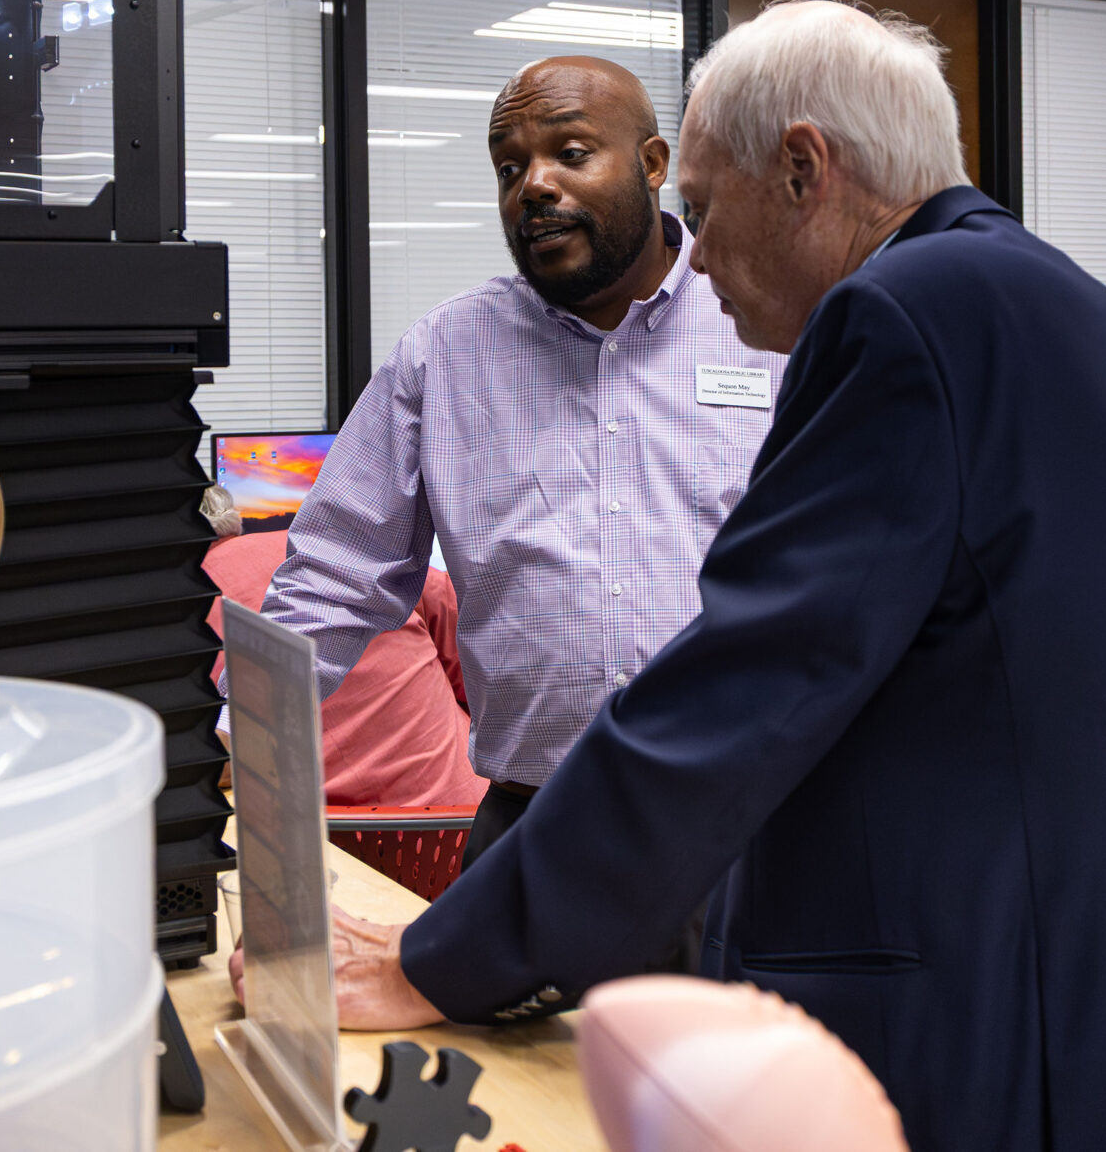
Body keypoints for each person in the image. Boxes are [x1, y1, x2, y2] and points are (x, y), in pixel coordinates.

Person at [256, 2, 1106, 1152]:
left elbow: (743, 683)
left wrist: (441, 957)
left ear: (803, 170)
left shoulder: (899, 315)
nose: (695, 254)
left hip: (1007, 992)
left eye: (702, 211)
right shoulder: (1070, 303)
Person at [257, 55, 784, 865]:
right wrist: (225, 739)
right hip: (534, 832)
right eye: (510, 167)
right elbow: (334, 574)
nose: (532, 185)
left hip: (751, 826)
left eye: (571, 153)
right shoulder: (445, 354)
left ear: (652, 165)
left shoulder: (763, 326)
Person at [200, 484, 485, 811]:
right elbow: (477, 653)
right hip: (459, 824)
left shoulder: (177, 625)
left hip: (326, 845)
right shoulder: (330, 552)